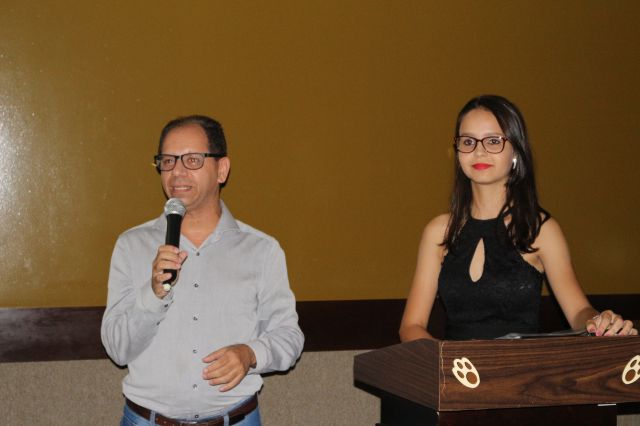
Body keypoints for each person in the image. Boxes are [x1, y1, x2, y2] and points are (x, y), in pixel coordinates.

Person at [101, 115, 304, 425]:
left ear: (222, 169)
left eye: (192, 160)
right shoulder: (132, 246)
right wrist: (153, 294)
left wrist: (249, 354)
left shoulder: (261, 250)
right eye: (168, 161)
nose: (177, 172)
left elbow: (289, 336)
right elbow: (117, 349)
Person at [400, 95, 637, 341]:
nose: (479, 151)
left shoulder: (540, 229)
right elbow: (411, 325)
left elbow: (578, 311)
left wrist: (598, 321)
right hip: (455, 364)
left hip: (522, 364)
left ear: (515, 151)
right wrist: (445, 359)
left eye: (493, 141)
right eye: (468, 141)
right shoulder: (438, 231)